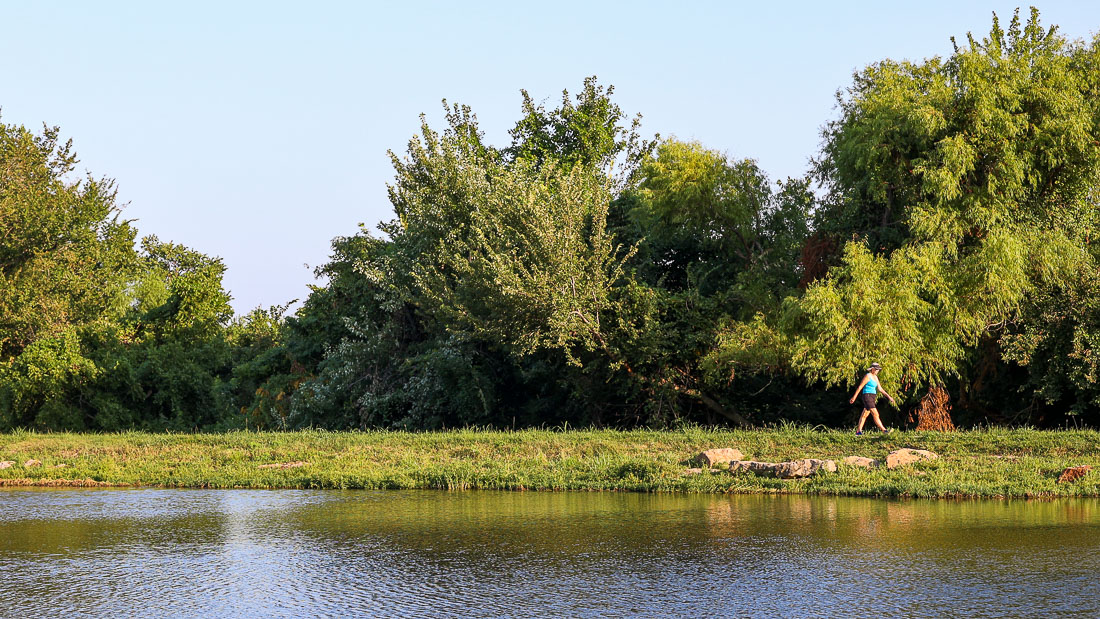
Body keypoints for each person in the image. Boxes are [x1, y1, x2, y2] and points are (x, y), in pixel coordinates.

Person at [849, 362, 896, 435]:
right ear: (873, 369)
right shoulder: (868, 376)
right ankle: (884, 430)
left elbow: (880, 389)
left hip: (872, 397)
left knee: (864, 414)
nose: (878, 371)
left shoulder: (876, 377)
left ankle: (858, 432)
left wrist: (889, 397)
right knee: (875, 414)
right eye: (877, 369)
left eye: (878, 370)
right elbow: (860, 387)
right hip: (867, 396)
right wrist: (854, 397)